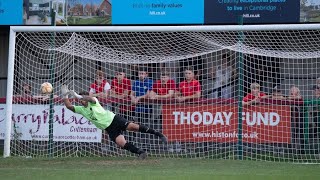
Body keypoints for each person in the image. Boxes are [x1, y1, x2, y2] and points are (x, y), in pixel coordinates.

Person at [61, 85, 167, 159]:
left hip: (114, 119)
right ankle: (141, 152)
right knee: (121, 143)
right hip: (109, 128)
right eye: (81, 100)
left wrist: (77, 95)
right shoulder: (81, 109)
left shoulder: (93, 102)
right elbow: (69, 106)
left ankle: (158, 134)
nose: (82, 101)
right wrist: (65, 95)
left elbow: (91, 98)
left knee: (134, 127)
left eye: (83, 99)